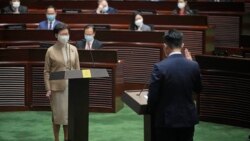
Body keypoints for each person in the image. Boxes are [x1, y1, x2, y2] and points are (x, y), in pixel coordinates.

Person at [147, 29, 202, 141]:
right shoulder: (193, 66)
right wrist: (192, 62)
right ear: (182, 45)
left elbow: (152, 97)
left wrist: (151, 112)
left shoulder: (160, 67)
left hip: (166, 121)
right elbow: (199, 89)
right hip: (187, 119)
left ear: (165, 46)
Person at [44, 23, 80, 141]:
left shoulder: (73, 49)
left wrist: (79, 86)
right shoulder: (50, 51)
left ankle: (66, 138)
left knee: (67, 117)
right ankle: (56, 139)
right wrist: (48, 89)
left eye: (67, 34)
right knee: (57, 116)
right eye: (62, 34)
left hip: (72, 87)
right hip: (57, 88)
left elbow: (78, 69)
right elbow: (47, 71)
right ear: (56, 35)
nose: (65, 36)